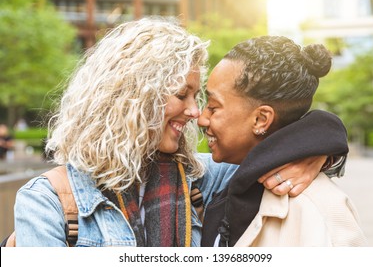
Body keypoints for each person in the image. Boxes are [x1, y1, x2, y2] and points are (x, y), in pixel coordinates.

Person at [13, 18, 345, 247]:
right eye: (182, 94)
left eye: (199, 98)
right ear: (134, 96)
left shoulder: (203, 178)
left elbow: (274, 138)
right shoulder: (47, 203)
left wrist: (315, 151)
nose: (194, 111)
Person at [198, 36, 366, 246]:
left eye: (213, 107)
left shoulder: (323, 214)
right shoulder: (231, 183)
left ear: (261, 119)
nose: (201, 118)